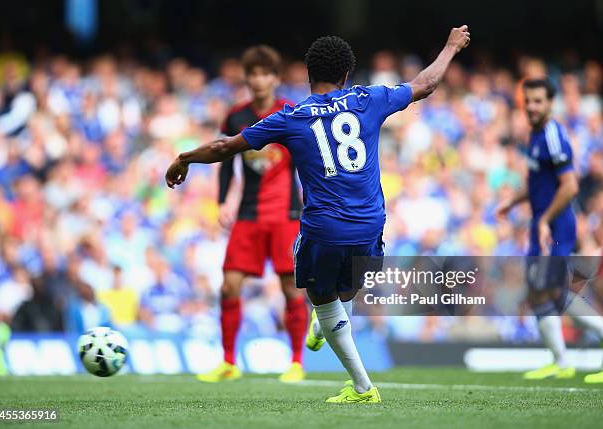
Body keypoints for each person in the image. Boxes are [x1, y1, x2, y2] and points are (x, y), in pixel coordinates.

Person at [166, 27, 471, 403]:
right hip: (371, 223)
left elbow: (224, 146)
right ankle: (326, 323)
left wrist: (184, 159)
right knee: (345, 293)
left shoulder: (290, 117)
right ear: (346, 75)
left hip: (324, 228)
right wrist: (450, 47)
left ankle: (361, 385)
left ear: (309, 76)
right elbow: (425, 84)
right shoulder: (369, 99)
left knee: (322, 297)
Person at [196, 45, 308, 384]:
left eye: (265, 73)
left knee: (291, 288)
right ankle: (229, 361)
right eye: (253, 74)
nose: (259, 80)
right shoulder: (236, 117)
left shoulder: (290, 112)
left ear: (275, 78)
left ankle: (296, 362)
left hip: (286, 213)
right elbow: (226, 162)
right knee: (229, 286)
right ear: (247, 78)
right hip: (247, 212)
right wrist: (221, 202)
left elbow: (306, 159)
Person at [497, 78, 603, 383]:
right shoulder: (535, 134)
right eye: (528, 101)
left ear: (550, 103)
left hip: (555, 225)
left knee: (555, 291)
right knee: (537, 291)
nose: (531, 106)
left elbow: (570, 186)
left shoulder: (554, 135)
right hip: (540, 224)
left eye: (538, 101)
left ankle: (563, 358)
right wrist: (512, 202)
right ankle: (560, 361)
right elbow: (537, 183)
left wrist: (544, 220)